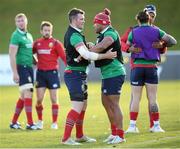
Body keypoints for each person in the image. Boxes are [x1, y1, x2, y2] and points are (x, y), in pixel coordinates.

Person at [61, 8, 117, 145]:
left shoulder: (76, 34)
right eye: (81, 19)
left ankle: (80, 135)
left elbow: (83, 52)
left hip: (79, 74)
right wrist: (106, 55)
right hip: (74, 74)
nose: (84, 21)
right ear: (74, 20)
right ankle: (66, 138)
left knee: (83, 105)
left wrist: (88, 46)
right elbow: (86, 55)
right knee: (77, 106)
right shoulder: (74, 35)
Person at [126, 10, 177, 133]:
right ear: (149, 19)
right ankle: (156, 125)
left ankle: (132, 126)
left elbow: (128, 46)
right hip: (151, 67)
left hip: (137, 67)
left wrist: (131, 48)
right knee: (153, 98)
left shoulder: (133, 32)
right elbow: (173, 41)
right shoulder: (156, 31)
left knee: (135, 98)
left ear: (138, 20)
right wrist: (162, 44)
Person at [90, 8, 126, 144]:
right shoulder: (103, 33)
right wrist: (93, 46)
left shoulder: (110, 33)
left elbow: (101, 47)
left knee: (114, 104)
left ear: (102, 23)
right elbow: (98, 46)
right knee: (106, 103)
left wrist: (90, 48)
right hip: (107, 74)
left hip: (115, 73)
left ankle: (121, 135)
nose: (94, 25)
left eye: (95, 23)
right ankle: (114, 132)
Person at [33, 21, 66, 130]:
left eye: (49, 30)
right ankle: (40, 121)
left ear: (51, 31)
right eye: (45, 30)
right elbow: (30, 53)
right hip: (41, 74)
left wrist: (70, 67)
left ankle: (54, 122)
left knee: (54, 99)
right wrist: (34, 60)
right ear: (41, 31)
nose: (47, 32)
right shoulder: (37, 43)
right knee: (39, 99)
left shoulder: (56, 43)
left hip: (52, 74)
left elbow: (64, 57)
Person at [9, 13, 37, 130]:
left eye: (22, 20)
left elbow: (30, 52)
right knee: (29, 92)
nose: (20, 22)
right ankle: (30, 123)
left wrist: (35, 61)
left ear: (26, 21)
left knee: (22, 96)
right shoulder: (15, 36)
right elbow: (12, 55)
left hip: (29, 67)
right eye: (18, 21)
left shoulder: (29, 36)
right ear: (16, 23)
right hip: (22, 68)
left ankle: (14, 122)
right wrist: (15, 73)